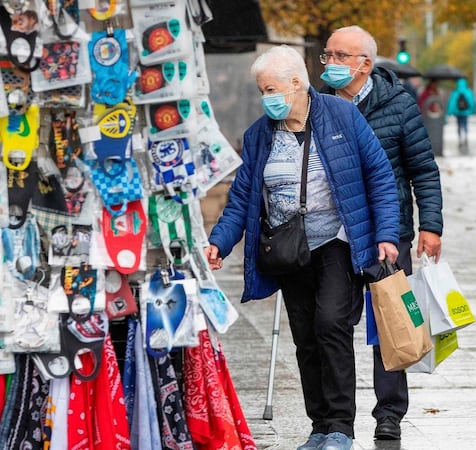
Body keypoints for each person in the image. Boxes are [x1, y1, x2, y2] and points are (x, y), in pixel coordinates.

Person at [204, 45, 400, 450]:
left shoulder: (341, 115)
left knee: (331, 325)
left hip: (336, 243)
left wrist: (386, 235)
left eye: (271, 89)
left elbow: (379, 174)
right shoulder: (259, 134)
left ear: (297, 84)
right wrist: (218, 243)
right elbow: (241, 198)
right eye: (262, 90)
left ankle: (341, 427)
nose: (266, 98)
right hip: (288, 248)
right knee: (306, 336)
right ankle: (320, 425)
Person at [319, 25, 444, 441]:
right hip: (335, 234)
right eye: (328, 55)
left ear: (364, 64)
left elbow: (424, 170)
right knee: (333, 321)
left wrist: (431, 225)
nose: (331, 64)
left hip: (390, 234)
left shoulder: (399, 104)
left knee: (389, 324)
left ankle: (389, 412)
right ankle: (337, 418)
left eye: (341, 56)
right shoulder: (318, 105)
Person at [447, 77, 476, 143]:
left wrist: (449, 112)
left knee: (459, 125)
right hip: (466, 112)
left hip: (457, 112)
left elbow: (452, 103)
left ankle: (460, 138)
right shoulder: (468, 91)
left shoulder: (455, 92)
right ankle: (466, 136)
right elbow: (472, 102)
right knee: (465, 124)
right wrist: (473, 110)